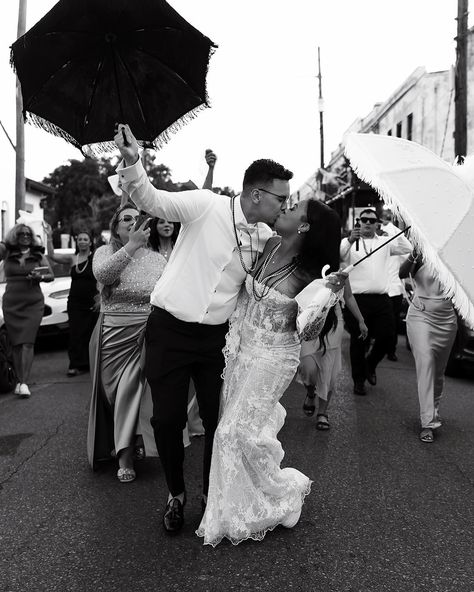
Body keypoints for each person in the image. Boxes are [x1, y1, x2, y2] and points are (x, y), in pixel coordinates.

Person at [114, 123, 343, 533]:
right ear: (257, 194)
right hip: (169, 329)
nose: (284, 205)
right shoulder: (205, 206)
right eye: (281, 198)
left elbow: (300, 279)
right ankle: (175, 494)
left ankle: (211, 496)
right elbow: (152, 198)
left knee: (218, 421)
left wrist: (327, 292)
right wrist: (134, 160)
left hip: (218, 341)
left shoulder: (269, 238)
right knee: (166, 421)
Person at [196, 199, 343, 546]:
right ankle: (235, 508)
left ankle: (285, 494)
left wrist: (327, 297)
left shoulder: (314, 276)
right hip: (243, 348)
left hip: (274, 358)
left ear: (305, 226)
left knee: (232, 432)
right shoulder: (272, 242)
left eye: (293, 208)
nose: (285, 208)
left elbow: (307, 332)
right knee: (237, 429)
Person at [87, 204, 164, 482]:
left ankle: (125, 456)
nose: (132, 222)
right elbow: (104, 276)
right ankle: (129, 438)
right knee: (111, 395)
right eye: (126, 219)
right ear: (116, 227)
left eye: (137, 218)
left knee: (131, 391)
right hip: (110, 333)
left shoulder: (157, 260)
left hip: (143, 333)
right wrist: (130, 247)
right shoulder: (104, 253)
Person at [340, 208, 411, 395]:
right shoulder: (349, 242)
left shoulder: (385, 242)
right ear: (359, 222)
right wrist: (349, 240)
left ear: (377, 223)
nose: (368, 223)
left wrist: (392, 227)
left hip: (381, 299)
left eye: (372, 220)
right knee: (359, 342)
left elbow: (407, 248)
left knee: (387, 336)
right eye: (364, 220)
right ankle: (359, 381)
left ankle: (370, 365)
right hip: (356, 300)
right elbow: (339, 255)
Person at [399, 252, 457, 443]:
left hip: (447, 321)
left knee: (438, 373)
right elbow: (402, 273)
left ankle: (434, 409)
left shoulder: (460, 256)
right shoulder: (423, 252)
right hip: (420, 316)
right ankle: (427, 423)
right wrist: (413, 256)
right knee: (426, 363)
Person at [299, 280, 368, 430]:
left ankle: (322, 413)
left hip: (334, 320)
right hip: (308, 316)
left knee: (327, 369)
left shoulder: (341, 268)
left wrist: (361, 320)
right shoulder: (305, 260)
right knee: (307, 367)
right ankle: (311, 394)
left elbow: (348, 296)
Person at [0, 224, 53, 397]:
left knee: (28, 342)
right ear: (15, 236)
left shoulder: (38, 255)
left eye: (28, 234)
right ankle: (19, 380)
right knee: (16, 344)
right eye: (21, 234)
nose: (25, 236)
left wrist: (40, 276)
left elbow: (50, 275)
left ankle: (24, 383)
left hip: (33, 303)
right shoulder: (7, 253)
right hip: (11, 303)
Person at [44, 225, 99, 376]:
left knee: (90, 332)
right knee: (75, 333)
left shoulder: (96, 258)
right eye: (80, 239)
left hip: (92, 301)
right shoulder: (72, 258)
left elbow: (101, 280)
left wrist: (99, 298)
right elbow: (52, 255)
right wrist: (49, 236)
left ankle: (89, 363)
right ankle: (75, 364)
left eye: (85, 239)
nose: (82, 242)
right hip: (75, 302)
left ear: (90, 242)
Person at [380, 209, 405, 361]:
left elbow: (407, 252)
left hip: (394, 290)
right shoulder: (374, 242)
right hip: (379, 289)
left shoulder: (396, 241)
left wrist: (392, 229)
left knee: (393, 323)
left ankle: (390, 350)